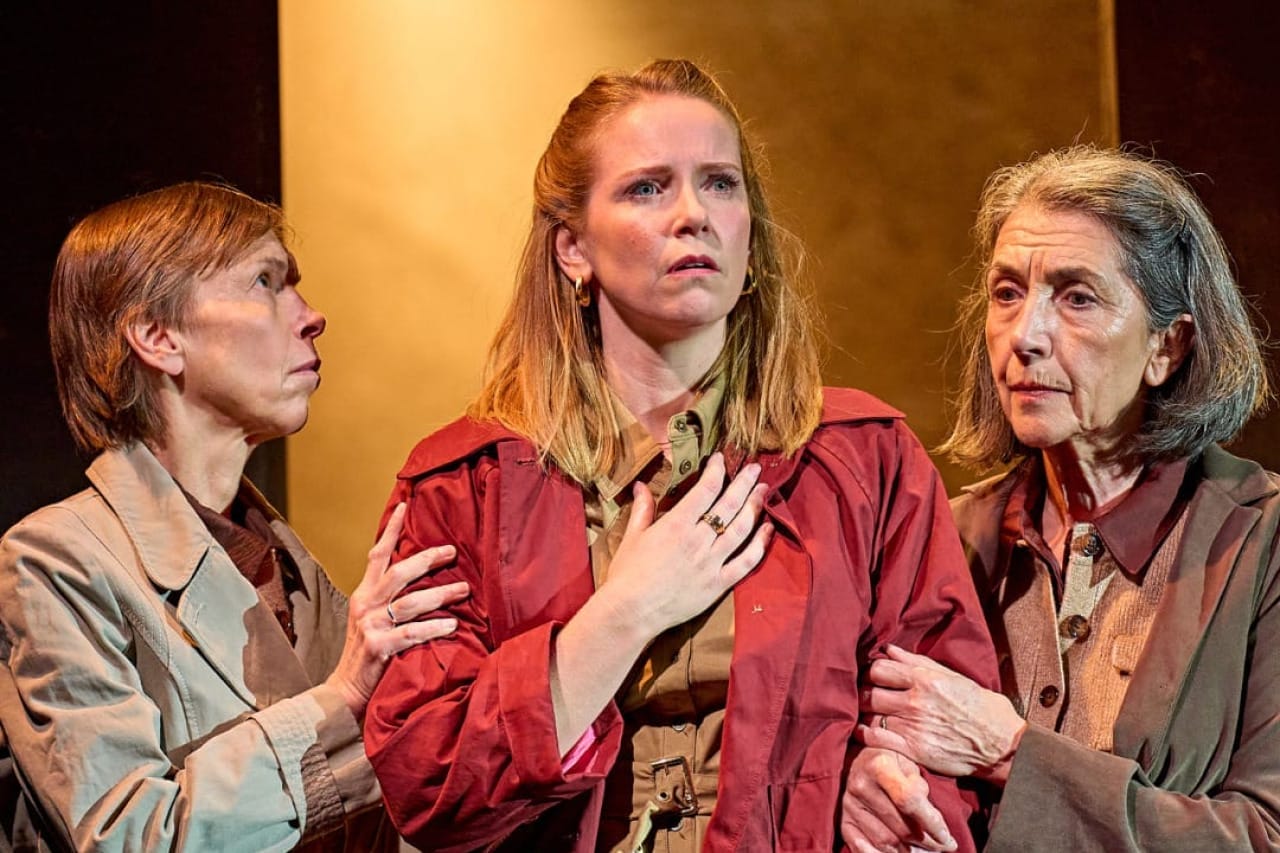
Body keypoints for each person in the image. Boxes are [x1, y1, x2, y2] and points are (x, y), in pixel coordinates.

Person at [363, 59, 998, 852]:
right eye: (647, 188)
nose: (693, 214)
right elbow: (428, 785)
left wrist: (892, 778)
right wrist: (624, 614)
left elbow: (946, 714)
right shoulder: (465, 483)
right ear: (572, 249)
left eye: (721, 184)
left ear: (751, 234)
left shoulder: (865, 460)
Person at [0, 182, 469, 851]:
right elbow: (130, 836)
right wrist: (340, 698)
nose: (311, 316)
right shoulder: (56, 560)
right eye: (265, 281)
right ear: (158, 336)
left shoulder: (297, 574)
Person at [847, 145, 1280, 851]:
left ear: (1167, 347)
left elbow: (1264, 834)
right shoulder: (940, 539)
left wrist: (1011, 751)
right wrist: (864, 783)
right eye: (1007, 292)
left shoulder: (1261, 543)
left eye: (1077, 297)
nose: (1025, 335)